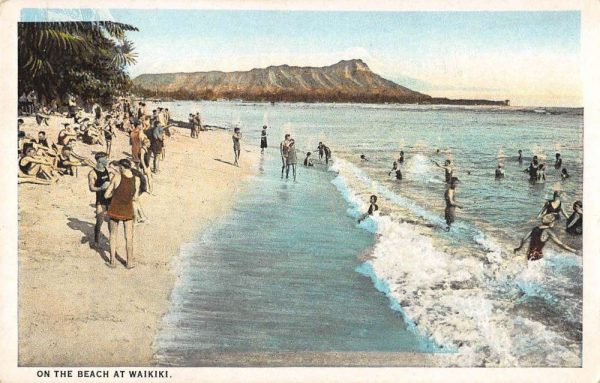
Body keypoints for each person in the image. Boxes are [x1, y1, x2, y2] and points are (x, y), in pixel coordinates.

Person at [104, 158, 139, 269]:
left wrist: (115, 195)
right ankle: (129, 262)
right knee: (129, 237)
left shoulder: (117, 177)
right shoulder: (136, 179)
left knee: (113, 235)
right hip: (128, 209)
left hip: (115, 208)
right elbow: (135, 197)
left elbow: (106, 195)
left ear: (122, 167)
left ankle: (112, 261)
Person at [88, 152, 112, 245]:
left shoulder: (107, 169)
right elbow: (91, 188)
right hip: (100, 199)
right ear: (99, 160)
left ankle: (111, 238)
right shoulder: (92, 173)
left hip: (110, 198)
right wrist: (101, 188)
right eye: (105, 158)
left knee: (111, 220)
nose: (107, 160)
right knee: (99, 221)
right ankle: (96, 240)